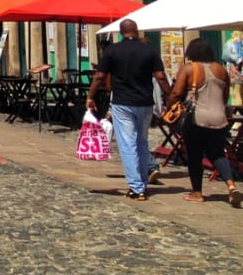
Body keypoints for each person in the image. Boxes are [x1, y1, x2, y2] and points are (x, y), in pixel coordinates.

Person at [87, 18, 171, 201]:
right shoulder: (150, 51)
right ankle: (141, 183)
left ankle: (136, 187)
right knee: (141, 141)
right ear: (137, 30)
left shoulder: (112, 51)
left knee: (128, 144)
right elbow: (161, 77)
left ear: (121, 32)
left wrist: (91, 96)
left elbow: (100, 76)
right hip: (146, 103)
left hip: (123, 103)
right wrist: (170, 97)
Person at [166, 38, 241, 206]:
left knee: (194, 154)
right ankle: (231, 186)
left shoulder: (189, 68)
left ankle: (197, 193)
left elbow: (176, 93)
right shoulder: (221, 70)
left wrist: (169, 107)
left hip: (196, 118)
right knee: (217, 153)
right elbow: (225, 95)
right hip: (219, 118)